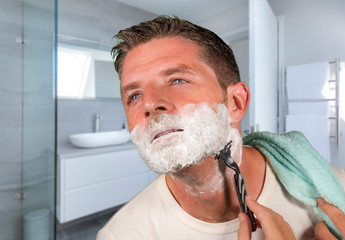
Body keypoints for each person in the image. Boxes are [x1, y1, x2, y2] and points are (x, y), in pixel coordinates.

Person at [97, 16, 345, 240]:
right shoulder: (121, 234)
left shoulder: (336, 196)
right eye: (134, 96)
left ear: (236, 103)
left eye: (177, 80)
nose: (149, 104)